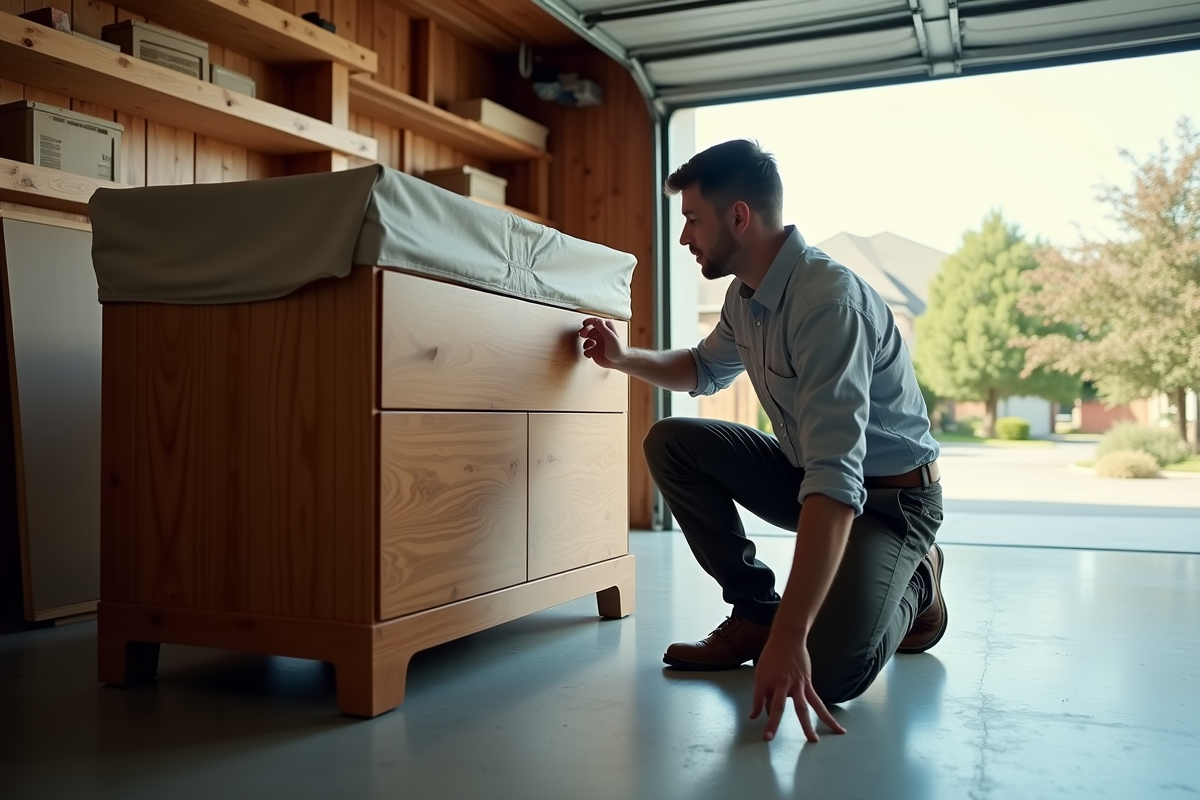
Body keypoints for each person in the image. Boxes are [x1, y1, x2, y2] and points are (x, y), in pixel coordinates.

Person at [577, 139, 947, 744]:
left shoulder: (827, 305)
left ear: (739, 216)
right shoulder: (744, 296)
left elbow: (836, 481)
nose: (684, 237)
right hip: (806, 478)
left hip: (890, 503)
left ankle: (920, 577)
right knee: (673, 442)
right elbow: (702, 368)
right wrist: (623, 359)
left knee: (827, 672)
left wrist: (793, 639)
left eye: (693, 219)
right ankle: (755, 611)